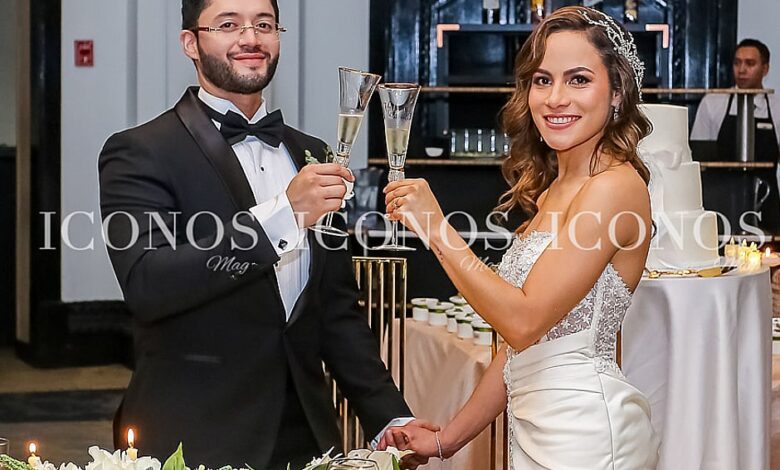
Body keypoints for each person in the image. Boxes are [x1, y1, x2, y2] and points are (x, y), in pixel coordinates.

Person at [98, 0, 435, 468]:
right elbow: (149, 284)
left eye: (264, 24)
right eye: (228, 24)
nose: (250, 38)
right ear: (190, 43)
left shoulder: (312, 153)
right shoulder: (139, 151)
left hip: (309, 436)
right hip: (193, 435)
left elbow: (335, 311)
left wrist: (390, 419)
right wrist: (284, 215)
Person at [379, 6, 659, 468]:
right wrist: (447, 440)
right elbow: (518, 353)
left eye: (579, 80)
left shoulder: (615, 187)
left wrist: (436, 229)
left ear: (617, 92)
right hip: (536, 429)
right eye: (542, 80)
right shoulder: (556, 189)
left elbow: (523, 320)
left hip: (585, 435)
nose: (555, 98)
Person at [691, 38, 779, 162]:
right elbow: (698, 153)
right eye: (737, 63)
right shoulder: (712, 103)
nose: (741, 70)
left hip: (765, 181)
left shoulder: (777, 108)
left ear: (765, 69)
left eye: (750, 63)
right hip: (720, 180)